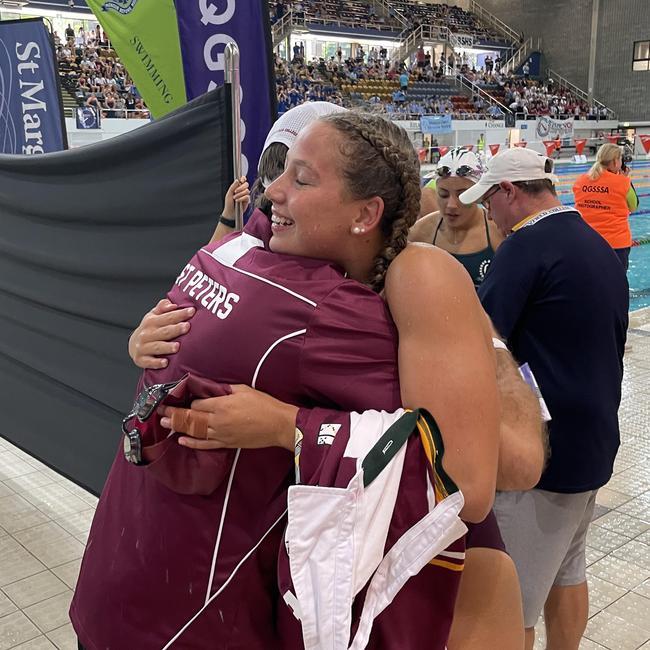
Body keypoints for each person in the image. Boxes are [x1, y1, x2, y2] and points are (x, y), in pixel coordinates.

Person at [71, 112, 500, 649]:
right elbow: (461, 471)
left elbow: (466, 473)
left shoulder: (248, 260)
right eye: (282, 171)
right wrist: (289, 425)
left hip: (119, 576)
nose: (270, 191)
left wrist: (284, 424)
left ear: (366, 214)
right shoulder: (321, 300)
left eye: (301, 178)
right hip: (186, 616)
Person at [460, 147, 628, 650]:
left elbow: (480, 338)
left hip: (543, 454)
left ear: (510, 192)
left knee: (512, 602)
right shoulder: (595, 243)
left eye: (490, 202)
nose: (489, 215)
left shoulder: (526, 246)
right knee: (568, 571)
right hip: (594, 438)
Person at [411, 149, 504, 287]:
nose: (451, 205)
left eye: (462, 195)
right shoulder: (421, 231)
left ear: (478, 194)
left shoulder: (498, 231)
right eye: (443, 194)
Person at [572, 143, 639, 270]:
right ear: (615, 161)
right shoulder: (623, 182)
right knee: (616, 283)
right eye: (620, 159)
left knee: (591, 280)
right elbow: (633, 206)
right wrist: (626, 179)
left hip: (587, 241)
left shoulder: (580, 180)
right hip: (617, 243)